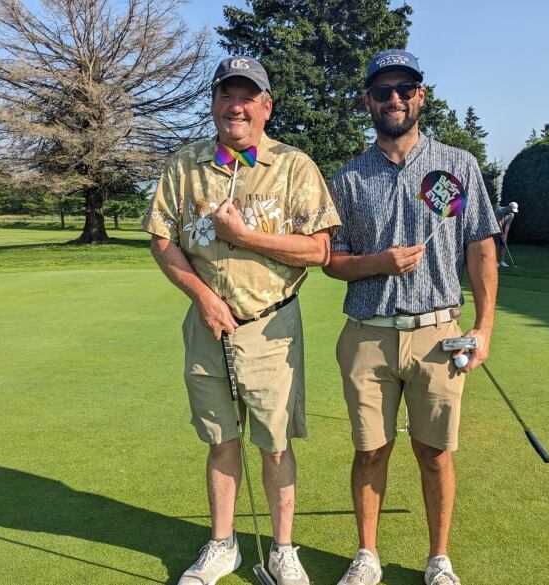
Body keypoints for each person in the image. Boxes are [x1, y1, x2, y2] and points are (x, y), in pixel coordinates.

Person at [142, 55, 340, 585]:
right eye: (226, 95)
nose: (237, 105)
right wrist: (203, 297)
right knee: (220, 439)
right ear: (213, 104)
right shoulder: (185, 166)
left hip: (271, 326)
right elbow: (162, 239)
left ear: (266, 107)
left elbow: (320, 249)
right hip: (206, 324)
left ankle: (281, 549)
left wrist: (246, 236)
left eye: (247, 96)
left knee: (274, 443)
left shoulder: (295, 166)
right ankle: (223, 546)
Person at [324, 49, 500, 585]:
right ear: (367, 101)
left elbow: (481, 248)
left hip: (439, 334)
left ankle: (438, 559)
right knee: (370, 450)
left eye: (405, 89)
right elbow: (331, 259)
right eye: (383, 91)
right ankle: (367, 556)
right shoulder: (348, 178)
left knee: (435, 454)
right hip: (368, 336)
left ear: (421, 95)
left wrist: (484, 327)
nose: (394, 99)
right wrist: (377, 263)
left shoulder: (458, 165)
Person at [493, 201, 518, 267]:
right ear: (509, 207)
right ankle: (495, 261)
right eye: (512, 210)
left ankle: (501, 261)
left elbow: (507, 225)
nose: (512, 211)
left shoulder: (512, 215)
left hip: (503, 230)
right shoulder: (499, 210)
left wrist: (505, 236)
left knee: (504, 244)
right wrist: (502, 233)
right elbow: (498, 222)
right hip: (495, 229)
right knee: (497, 245)